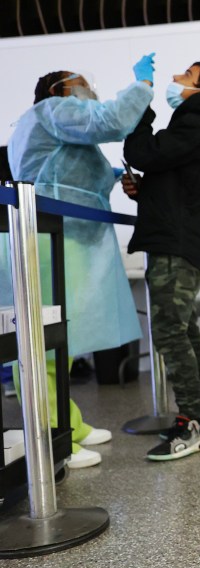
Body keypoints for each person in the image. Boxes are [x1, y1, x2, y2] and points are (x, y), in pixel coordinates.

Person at [3, 56, 156, 469]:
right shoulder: (52, 109)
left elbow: (73, 173)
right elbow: (109, 119)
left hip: (66, 234)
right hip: (48, 236)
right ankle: (51, 437)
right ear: (60, 90)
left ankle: (68, 423)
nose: (90, 93)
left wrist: (110, 177)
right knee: (44, 342)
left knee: (61, 340)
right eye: (83, 86)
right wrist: (140, 86)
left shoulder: (47, 123)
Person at [122, 61, 200, 461]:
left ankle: (191, 424)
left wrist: (141, 104)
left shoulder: (194, 126)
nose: (174, 80)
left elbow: (144, 152)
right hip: (180, 242)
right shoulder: (199, 131)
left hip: (175, 247)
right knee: (182, 329)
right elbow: (177, 187)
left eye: (185, 76)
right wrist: (144, 193)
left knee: (169, 331)